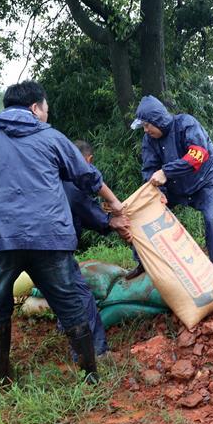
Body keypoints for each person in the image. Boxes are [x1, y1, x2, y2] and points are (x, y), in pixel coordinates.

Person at [0, 80, 124, 384]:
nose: (46, 115)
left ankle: (2, 378)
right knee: (70, 301)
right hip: (49, 236)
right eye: (46, 109)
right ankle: (90, 374)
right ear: (35, 107)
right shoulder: (51, 136)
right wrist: (115, 204)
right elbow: (87, 177)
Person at [131, 95, 213, 277]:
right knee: (144, 213)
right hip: (178, 187)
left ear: (157, 120)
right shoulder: (149, 141)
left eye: (147, 125)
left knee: (212, 220)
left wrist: (166, 172)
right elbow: (149, 170)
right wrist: (158, 192)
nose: (145, 130)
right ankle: (144, 266)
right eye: (143, 126)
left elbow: (198, 155)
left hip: (208, 180)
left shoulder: (186, 124)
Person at [60, 139, 133, 358]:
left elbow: (82, 211)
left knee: (58, 289)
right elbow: (80, 204)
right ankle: (94, 353)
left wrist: (106, 219)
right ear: (88, 160)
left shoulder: (52, 171)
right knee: (79, 295)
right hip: (52, 246)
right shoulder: (72, 180)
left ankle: (65, 327)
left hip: (17, 240)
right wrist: (110, 220)